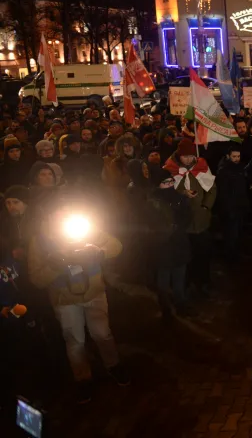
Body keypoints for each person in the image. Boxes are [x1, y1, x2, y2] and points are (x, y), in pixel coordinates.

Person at [27, 197, 129, 403]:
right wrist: (56, 265)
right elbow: (36, 279)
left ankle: (113, 365)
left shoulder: (87, 230)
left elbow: (116, 245)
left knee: (102, 333)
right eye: (58, 212)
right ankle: (83, 378)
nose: (63, 216)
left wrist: (98, 251)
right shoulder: (39, 241)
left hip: (94, 293)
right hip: (65, 300)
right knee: (75, 341)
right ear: (48, 216)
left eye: (66, 211)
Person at [164, 138, 217, 296]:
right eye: (185, 156)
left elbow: (212, 189)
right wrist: (182, 193)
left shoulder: (202, 167)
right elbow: (165, 192)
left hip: (200, 220)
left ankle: (204, 281)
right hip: (181, 222)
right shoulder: (170, 169)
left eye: (191, 156)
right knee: (185, 255)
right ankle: (186, 283)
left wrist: (206, 206)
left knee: (203, 253)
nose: (188, 159)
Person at [146, 167, 193, 318]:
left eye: (171, 181)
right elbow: (151, 224)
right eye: (165, 183)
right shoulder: (152, 202)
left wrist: (178, 227)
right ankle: (165, 307)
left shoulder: (180, 198)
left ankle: (180, 304)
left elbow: (187, 217)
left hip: (179, 244)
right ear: (157, 184)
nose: (170, 185)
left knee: (179, 278)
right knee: (163, 280)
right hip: (162, 246)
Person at [215, 145, 250, 258]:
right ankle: (231, 254)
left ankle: (235, 251)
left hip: (240, 205)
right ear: (228, 156)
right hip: (230, 207)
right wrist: (227, 208)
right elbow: (223, 192)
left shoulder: (241, 168)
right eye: (234, 156)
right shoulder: (223, 171)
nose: (237, 159)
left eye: (238, 156)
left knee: (238, 231)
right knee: (231, 232)